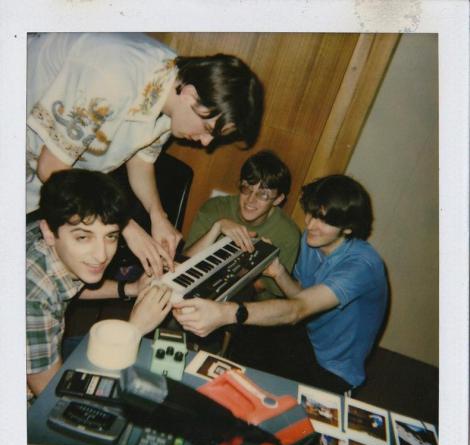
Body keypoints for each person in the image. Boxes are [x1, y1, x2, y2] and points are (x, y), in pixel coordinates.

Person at [26, 32, 264, 276]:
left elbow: (141, 160)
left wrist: (157, 216)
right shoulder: (112, 77)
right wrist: (124, 225)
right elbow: (51, 168)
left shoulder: (173, 90)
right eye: (207, 129)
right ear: (190, 95)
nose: (206, 142)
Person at [174, 175, 388, 394]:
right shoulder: (312, 241)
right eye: (312, 213)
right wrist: (277, 270)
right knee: (245, 344)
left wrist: (227, 313)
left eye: (324, 220)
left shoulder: (362, 266)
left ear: (348, 227)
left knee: (267, 399)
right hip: (306, 339)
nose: (311, 224)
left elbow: (298, 309)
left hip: (333, 369)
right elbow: (301, 295)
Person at [26, 169, 172, 398]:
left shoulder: (43, 240)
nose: (101, 255)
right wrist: (133, 330)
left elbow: (66, 286)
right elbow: (52, 397)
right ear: (49, 231)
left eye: (111, 236)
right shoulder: (32, 300)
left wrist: (131, 288)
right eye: (83, 237)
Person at [184, 150, 300, 300]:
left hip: (251, 305)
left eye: (263, 194)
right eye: (246, 189)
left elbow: (262, 287)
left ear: (277, 200)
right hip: (198, 289)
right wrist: (217, 227)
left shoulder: (288, 233)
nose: (251, 200)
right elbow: (184, 263)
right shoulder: (214, 208)